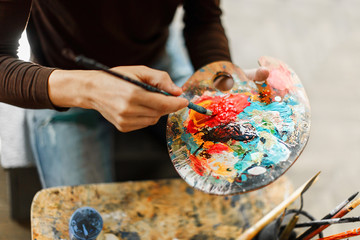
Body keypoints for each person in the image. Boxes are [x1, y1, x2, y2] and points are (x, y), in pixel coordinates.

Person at [0, 0, 268, 188]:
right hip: (65, 80)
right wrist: (89, 88)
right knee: (84, 226)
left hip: (156, 63)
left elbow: (204, 17)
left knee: (237, 169)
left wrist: (218, 75)